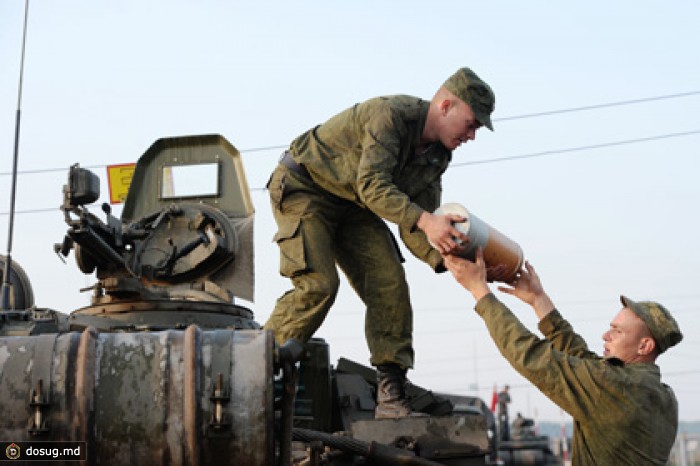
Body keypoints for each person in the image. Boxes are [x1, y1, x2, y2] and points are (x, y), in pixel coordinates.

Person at [263, 67, 496, 419]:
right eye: (472, 123)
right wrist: (425, 221)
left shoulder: (437, 155)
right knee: (319, 285)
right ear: (446, 105)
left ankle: (391, 394)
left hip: (352, 203)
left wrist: (452, 258)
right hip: (305, 188)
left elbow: (420, 221)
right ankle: (249, 375)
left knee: (389, 283)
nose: (472, 135)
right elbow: (375, 185)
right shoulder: (392, 116)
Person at [444, 249, 683, 465]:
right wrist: (539, 300)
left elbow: (532, 356)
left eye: (617, 331)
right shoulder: (661, 396)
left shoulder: (615, 387)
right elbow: (581, 357)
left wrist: (480, 291)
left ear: (644, 346)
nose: (605, 335)